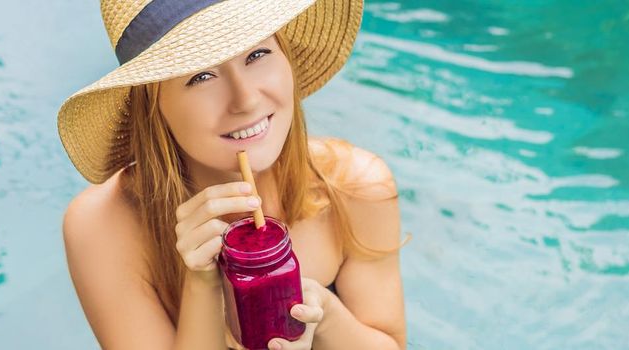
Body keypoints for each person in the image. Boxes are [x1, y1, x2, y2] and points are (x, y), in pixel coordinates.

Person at [57, 1, 408, 349]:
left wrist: (326, 315)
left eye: (256, 55)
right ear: (152, 108)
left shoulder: (355, 186)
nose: (245, 100)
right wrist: (202, 285)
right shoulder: (102, 225)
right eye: (201, 76)